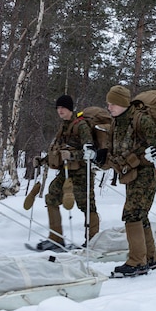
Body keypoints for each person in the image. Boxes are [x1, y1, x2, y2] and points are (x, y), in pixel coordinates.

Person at [103, 85, 156, 276]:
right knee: (140, 214)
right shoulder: (116, 123)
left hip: (146, 174)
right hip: (130, 174)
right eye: (108, 103)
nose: (109, 107)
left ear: (123, 103)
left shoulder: (142, 120)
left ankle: (137, 261)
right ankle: (150, 257)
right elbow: (115, 150)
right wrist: (102, 156)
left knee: (132, 213)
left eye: (113, 103)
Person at [33, 95, 100, 251]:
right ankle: (56, 239)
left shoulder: (81, 126)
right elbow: (58, 150)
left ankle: (93, 241)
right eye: (58, 108)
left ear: (70, 108)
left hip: (81, 173)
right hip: (65, 172)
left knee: (87, 206)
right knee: (52, 198)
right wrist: (43, 161)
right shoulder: (63, 127)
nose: (60, 110)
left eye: (63, 107)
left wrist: (72, 155)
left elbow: (90, 151)